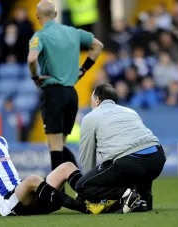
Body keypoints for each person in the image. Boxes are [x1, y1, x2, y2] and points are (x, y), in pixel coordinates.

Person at [0, 110, 105, 218]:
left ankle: (96, 199)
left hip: (27, 198)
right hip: (9, 202)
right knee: (32, 179)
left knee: (67, 166)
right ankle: (86, 208)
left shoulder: (0, 140)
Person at [27, 0, 104, 172]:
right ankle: (80, 185)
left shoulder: (40, 36)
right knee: (60, 145)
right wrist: (83, 70)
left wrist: (35, 77)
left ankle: (57, 191)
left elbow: (32, 58)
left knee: (55, 146)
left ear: (37, 16)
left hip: (53, 93)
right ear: (55, 14)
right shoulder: (73, 32)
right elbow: (98, 46)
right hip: (71, 94)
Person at [75, 83, 166, 213]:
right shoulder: (131, 111)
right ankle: (144, 200)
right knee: (141, 157)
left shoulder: (90, 117)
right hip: (157, 159)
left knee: (82, 186)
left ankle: (125, 194)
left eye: (91, 101)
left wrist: (88, 185)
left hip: (129, 163)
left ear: (97, 100)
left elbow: (87, 155)